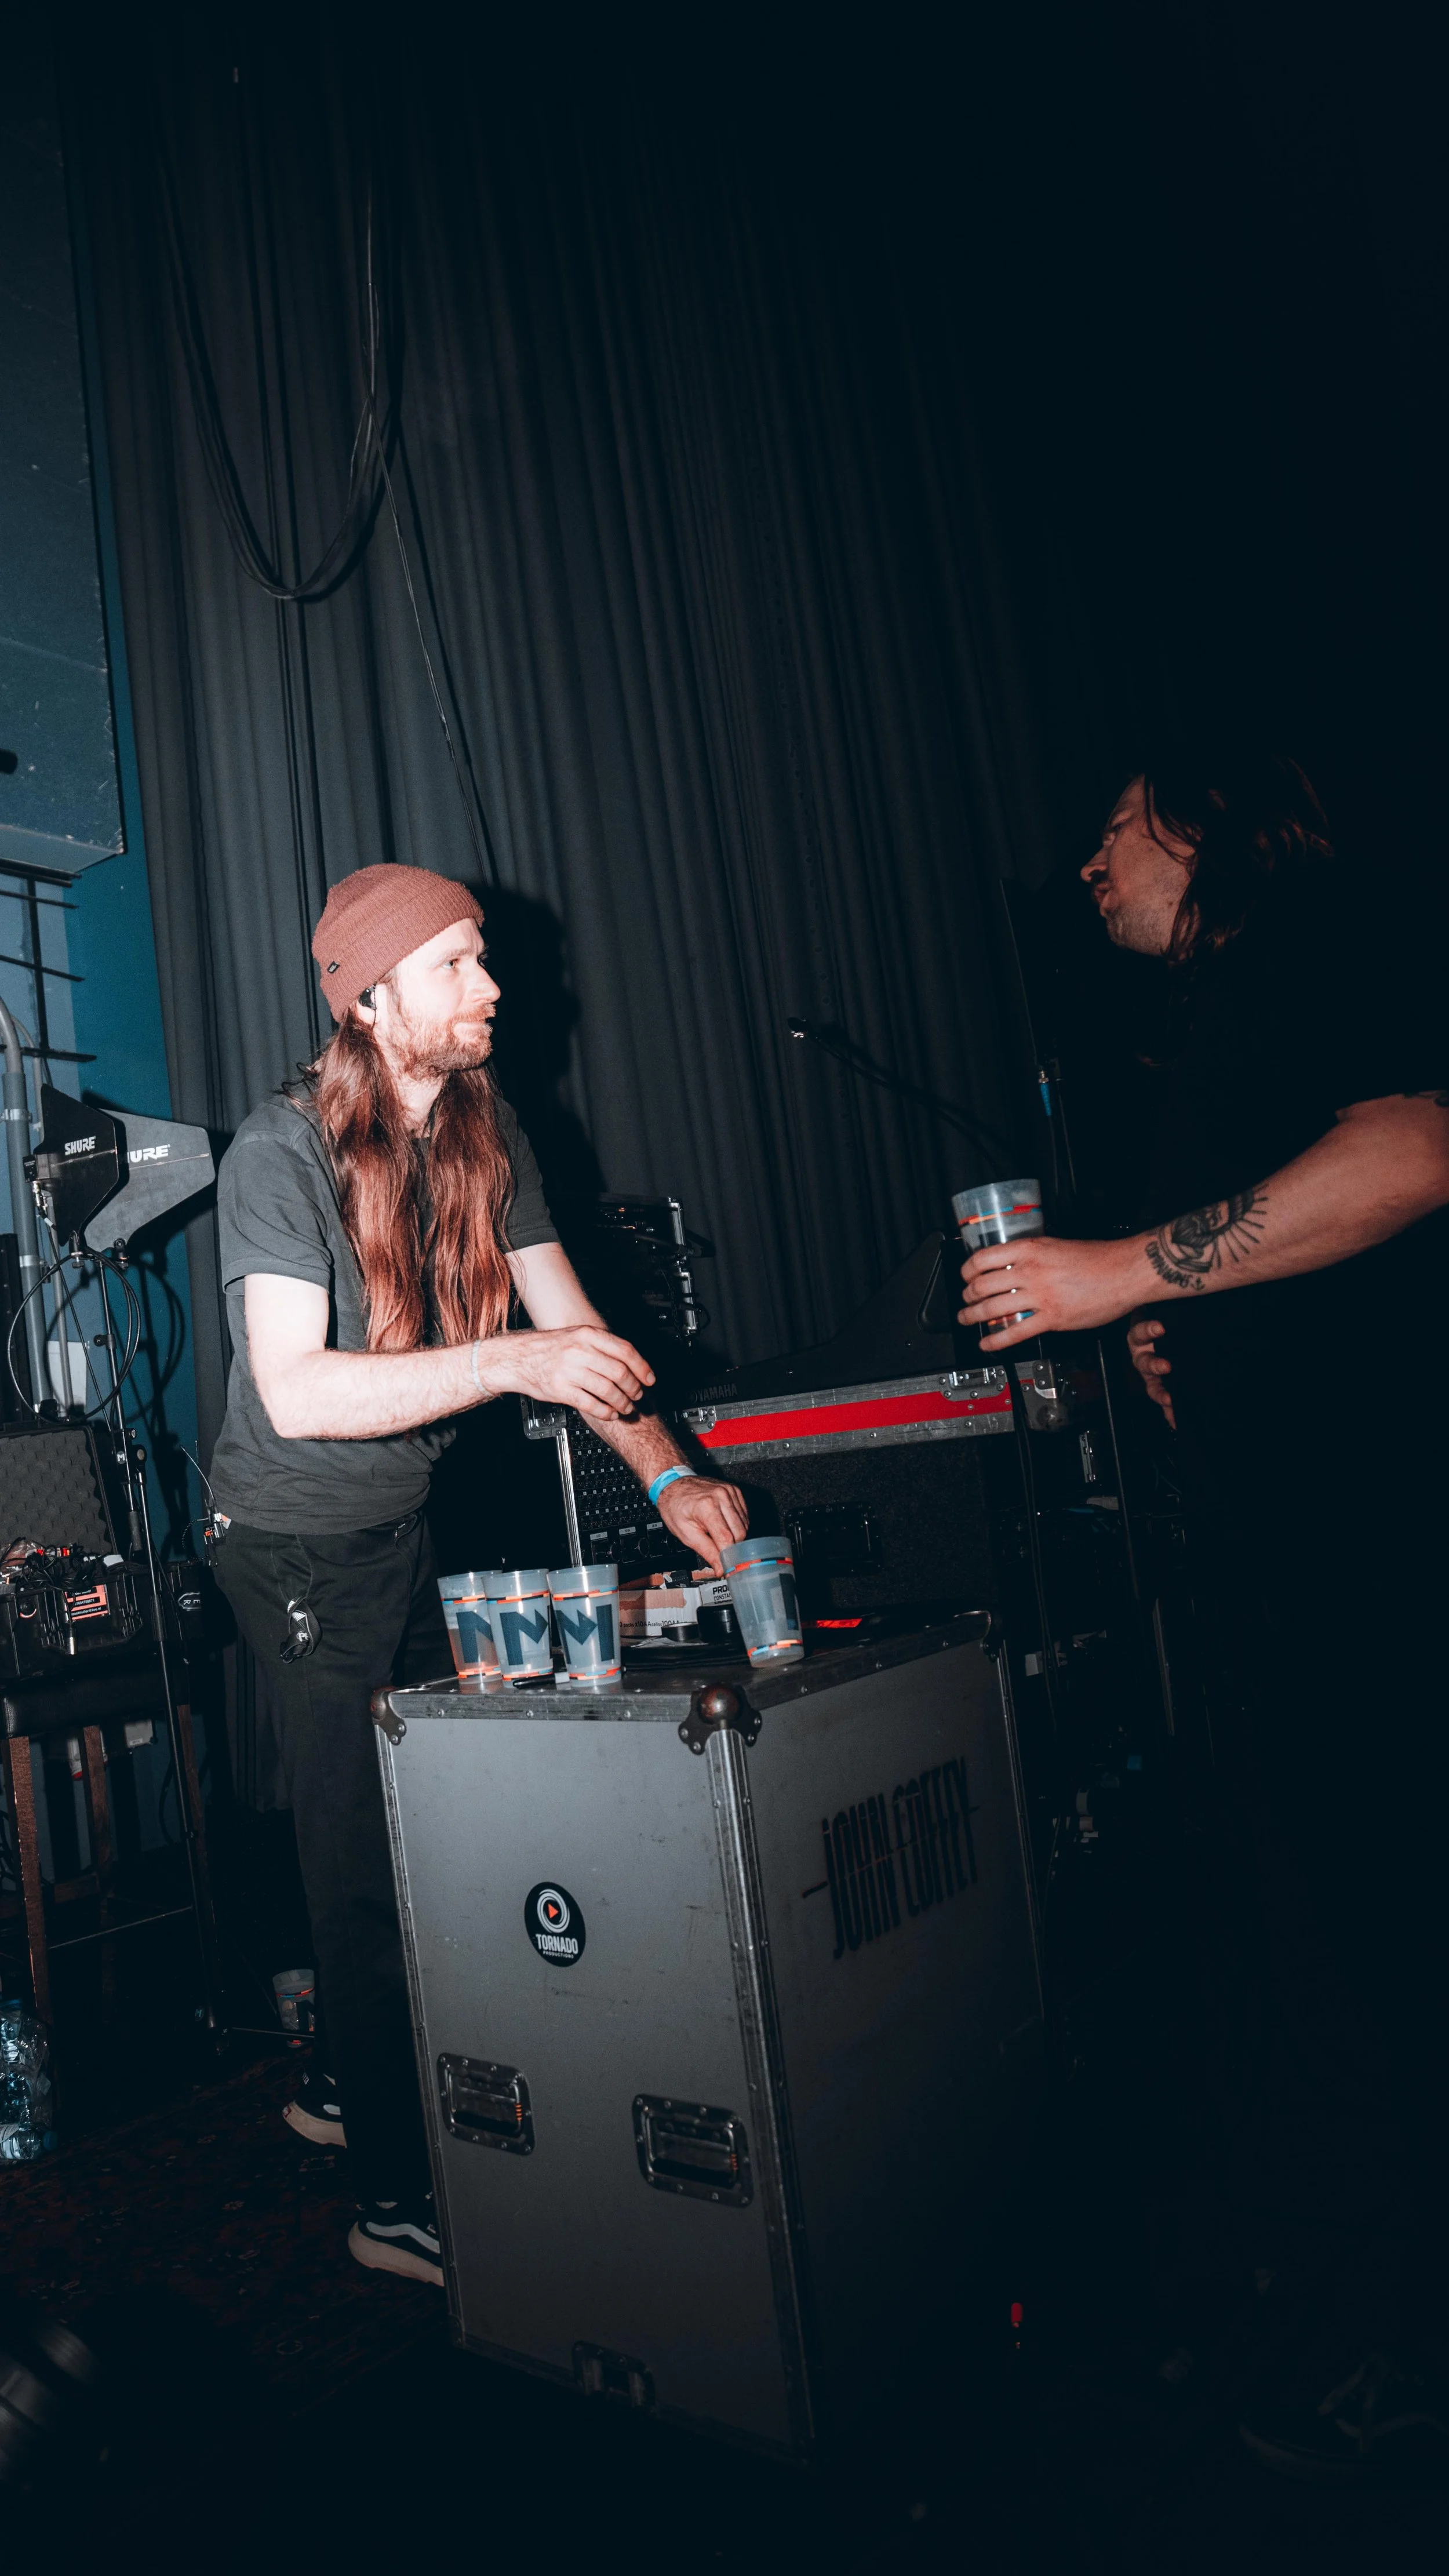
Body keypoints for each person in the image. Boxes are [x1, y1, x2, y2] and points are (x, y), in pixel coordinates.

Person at [960, 756, 1449, 2478]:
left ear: (1210, 817)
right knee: (1305, 1942)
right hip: (1282, 1540)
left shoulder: (1303, 943)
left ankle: (1393, 2351)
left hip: (1372, 1545)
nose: (1083, 858)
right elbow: (1272, 1246)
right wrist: (1185, 1345)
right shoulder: (1208, 1016)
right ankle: (1333, 2316)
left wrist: (1111, 1275)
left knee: (1377, 1942)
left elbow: (1409, 1146)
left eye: (1109, 823)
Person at [209, 864, 746, 2286]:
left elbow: (571, 1329)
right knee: (369, 1859)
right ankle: (394, 2195)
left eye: (484, 955)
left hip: (396, 1515)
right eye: (455, 963)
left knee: (427, 1812)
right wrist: (512, 1360)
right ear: (371, 999)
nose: (491, 985)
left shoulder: (486, 1125)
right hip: (288, 1536)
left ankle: (341, 2088)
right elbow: (299, 1394)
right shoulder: (275, 1150)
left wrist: (671, 1471)